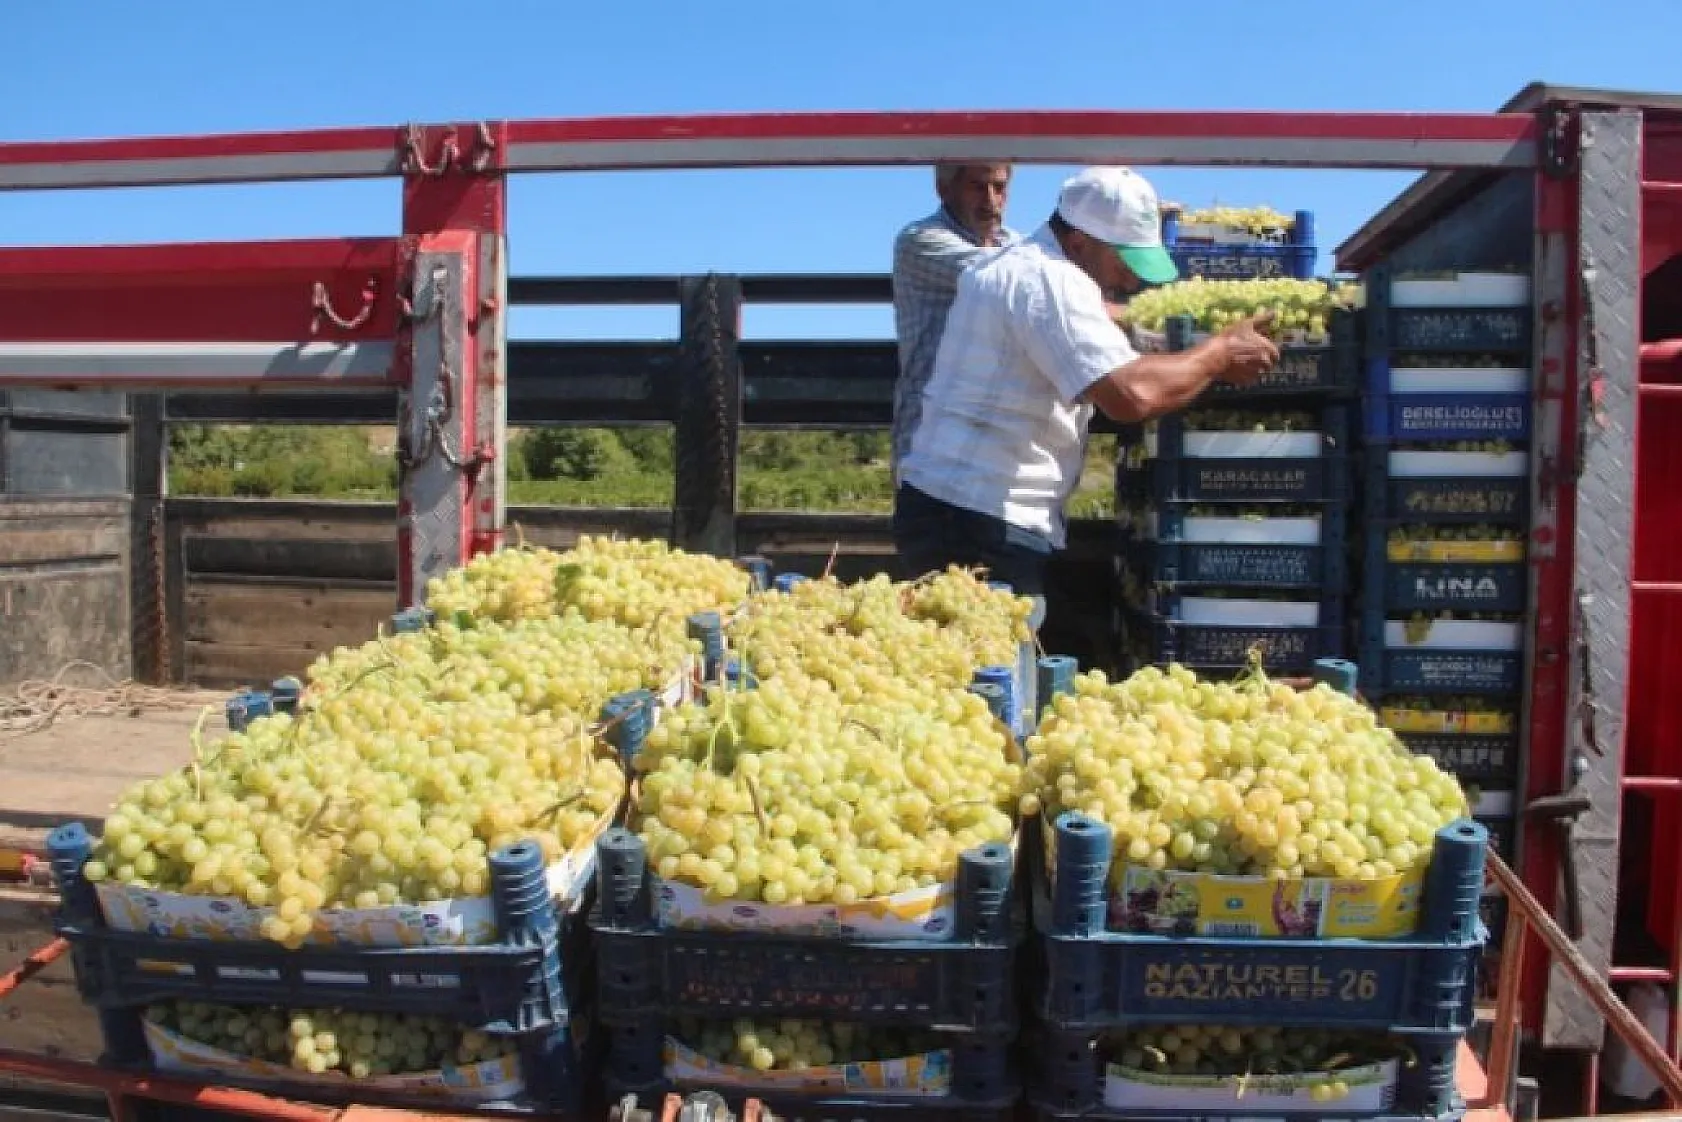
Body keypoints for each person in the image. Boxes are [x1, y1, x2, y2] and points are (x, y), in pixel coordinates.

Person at [893, 165, 1279, 598]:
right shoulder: (1050, 281)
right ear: (1078, 241)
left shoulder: (1029, 265)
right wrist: (1220, 351)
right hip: (975, 520)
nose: (1132, 280)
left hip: (961, 509)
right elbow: (1131, 394)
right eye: (1125, 262)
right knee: (988, 660)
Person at [890, 163, 1018, 488]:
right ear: (944, 189)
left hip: (997, 436)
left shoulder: (1016, 247)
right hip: (934, 443)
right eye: (978, 187)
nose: (991, 200)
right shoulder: (922, 240)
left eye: (999, 188)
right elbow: (1004, 282)